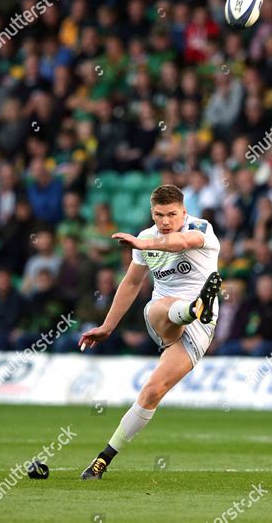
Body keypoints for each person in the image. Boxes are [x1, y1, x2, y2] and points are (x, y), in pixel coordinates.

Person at [78, 184, 221, 480]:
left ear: (183, 211)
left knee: (152, 391)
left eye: (172, 214)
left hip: (201, 325)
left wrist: (146, 246)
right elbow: (131, 284)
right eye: (159, 215)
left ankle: (102, 460)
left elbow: (182, 242)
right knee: (160, 306)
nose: (166, 221)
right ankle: (192, 307)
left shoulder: (200, 227)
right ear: (151, 213)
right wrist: (107, 326)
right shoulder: (145, 237)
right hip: (164, 318)